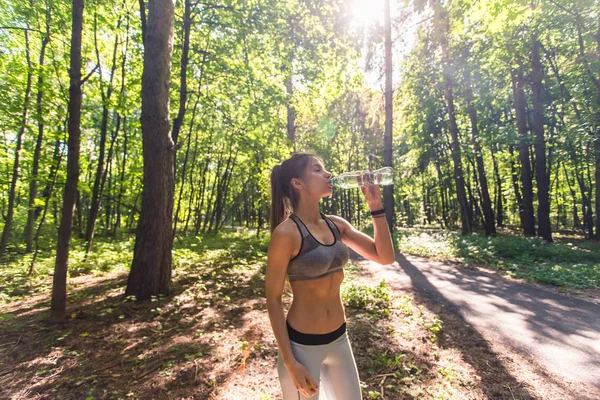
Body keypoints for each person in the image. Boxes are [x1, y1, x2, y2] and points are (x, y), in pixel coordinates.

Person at [265, 152, 395, 399]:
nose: (328, 174)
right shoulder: (286, 234)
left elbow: (385, 257)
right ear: (298, 183)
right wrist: (290, 361)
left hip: (339, 340)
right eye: (317, 170)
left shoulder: (337, 225)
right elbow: (273, 299)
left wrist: (375, 207)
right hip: (301, 347)